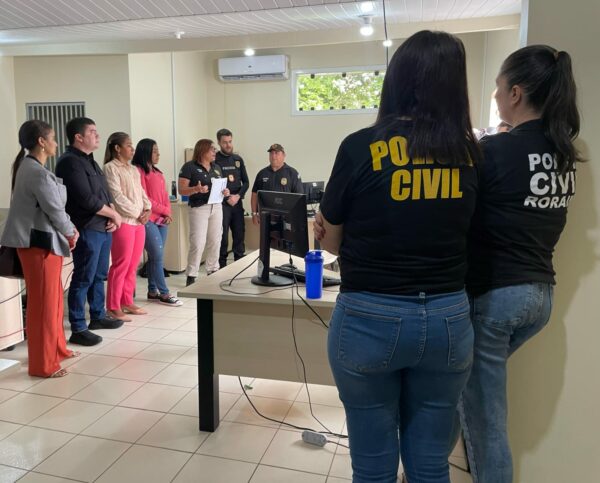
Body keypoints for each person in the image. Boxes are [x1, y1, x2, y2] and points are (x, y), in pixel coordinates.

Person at [314, 30, 480, 482]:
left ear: (396, 79)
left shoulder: (359, 146)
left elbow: (330, 242)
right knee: (430, 464)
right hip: (448, 318)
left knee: (373, 466)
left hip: (369, 315)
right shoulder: (470, 154)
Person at [458, 45, 581, 483]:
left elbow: (462, 214)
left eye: (497, 88)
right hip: (540, 296)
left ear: (515, 93)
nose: (494, 96)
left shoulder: (496, 150)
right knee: (463, 392)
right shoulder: (563, 152)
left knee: (486, 422)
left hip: (496, 298)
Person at [1, 121, 80, 377]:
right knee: (43, 306)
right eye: (53, 138)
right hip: (39, 245)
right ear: (41, 142)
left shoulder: (29, 167)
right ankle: (43, 365)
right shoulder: (36, 172)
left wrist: (68, 230)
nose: (56, 143)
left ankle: (57, 349)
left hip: (42, 243)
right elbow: (55, 210)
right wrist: (71, 231)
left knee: (53, 301)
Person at [56, 117, 124, 347]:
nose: (97, 135)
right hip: (86, 227)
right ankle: (78, 327)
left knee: (99, 274)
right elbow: (85, 199)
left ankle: (97, 316)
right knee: (83, 276)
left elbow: (104, 193)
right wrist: (113, 214)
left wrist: (112, 213)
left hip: (102, 226)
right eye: (92, 132)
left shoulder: (90, 161)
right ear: (78, 137)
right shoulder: (69, 162)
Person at [104, 132, 152, 320]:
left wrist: (147, 209)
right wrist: (137, 213)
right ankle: (113, 306)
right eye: (129, 145)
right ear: (117, 148)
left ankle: (126, 301)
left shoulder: (133, 169)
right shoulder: (110, 168)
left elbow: (142, 192)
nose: (132, 149)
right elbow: (117, 197)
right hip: (123, 222)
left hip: (138, 223)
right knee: (120, 264)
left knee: (133, 265)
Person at [132, 138, 182, 306]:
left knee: (156, 256)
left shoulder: (158, 172)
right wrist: (165, 210)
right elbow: (145, 198)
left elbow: (165, 196)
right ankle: (165, 293)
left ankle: (152, 291)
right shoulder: (138, 171)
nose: (158, 154)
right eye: (154, 151)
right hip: (147, 219)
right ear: (145, 152)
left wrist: (168, 212)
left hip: (162, 220)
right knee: (157, 255)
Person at [178, 139, 230, 286]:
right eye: (212, 149)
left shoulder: (217, 168)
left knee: (215, 240)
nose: (215, 152)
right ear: (202, 150)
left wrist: (225, 192)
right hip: (199, 208)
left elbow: (221, 187)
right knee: (198, 242)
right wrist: (196, 189)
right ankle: (191, 274)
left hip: (217, 207)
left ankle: (213, 270)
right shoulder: (189, 167)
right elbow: (181, 190)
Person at [214, 128, 249, 268]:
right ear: (219, 142)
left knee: (239, 234)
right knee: (222, 237)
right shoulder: (214, 160)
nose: (228, 145)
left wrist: (238, 196)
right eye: (225, 142)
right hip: (222, 204)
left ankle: (239, 265)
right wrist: (227, 198)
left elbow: (246, 182)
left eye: (230, 141)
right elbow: (213, 183)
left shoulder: (237, 159)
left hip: (237, 202)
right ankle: (221, 266)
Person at [250, 143, 303, 225]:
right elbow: (254, 194)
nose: (273, 156)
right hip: (266, 219)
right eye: (271, 153)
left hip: (286, 219)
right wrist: (254, 214)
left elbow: (299, 197)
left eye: (276, 153)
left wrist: (296, 218)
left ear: (284, 155)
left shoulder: (292, 173)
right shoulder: (262, 173)